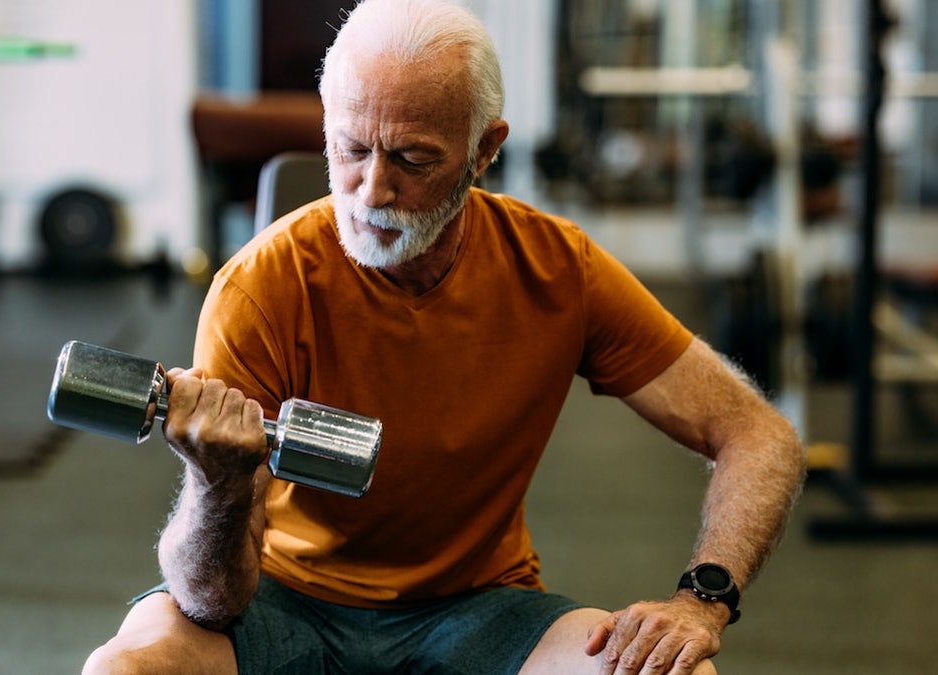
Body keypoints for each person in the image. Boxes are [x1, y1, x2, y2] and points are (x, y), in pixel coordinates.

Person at [83, 0, 806, 672]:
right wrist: (218, 480)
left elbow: (758, 433)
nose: (371, 191)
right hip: (282, 597)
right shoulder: (263, 284)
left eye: (412, 158)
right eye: (352, 149)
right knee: (124, 667)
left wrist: (701, 600)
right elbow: (214, 599)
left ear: (484, 149)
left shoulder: (557, 268)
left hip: (479, 607)